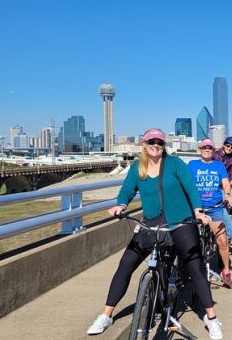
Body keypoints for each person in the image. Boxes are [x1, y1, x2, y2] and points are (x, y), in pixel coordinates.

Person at [87, 128, 223, 340]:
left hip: (180, 221)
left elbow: (190, 187)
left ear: (164, 145)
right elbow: (127, 190)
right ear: (144, 143)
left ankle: (212, 319)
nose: (156, 145)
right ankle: (106, 314)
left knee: (195, 267)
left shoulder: (175, 163)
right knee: (125, 265)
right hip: (151, 223)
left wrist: (198, 211)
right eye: (152, 141)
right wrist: (120, 205)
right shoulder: (137, 167)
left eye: (160, 142)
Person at [188, 138, 232, 289]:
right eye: (204, 147)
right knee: (189, 240)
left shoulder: (218, 165)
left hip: (215, 207)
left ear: (214, 151)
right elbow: (186, 183)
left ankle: (225, 271)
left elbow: (226, 182)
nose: (207, 149)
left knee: (222, 240)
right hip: (197, 208)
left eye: (210, 148)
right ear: (199, 149)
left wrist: (227, 194)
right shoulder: (193, 165)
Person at [213, 136, 232, 243]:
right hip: (208, 184)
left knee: (222, 209)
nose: (229, 148)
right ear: (224, 145)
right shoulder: (214, 154)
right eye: (228, 145)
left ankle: (231, 234)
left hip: (221, 186)